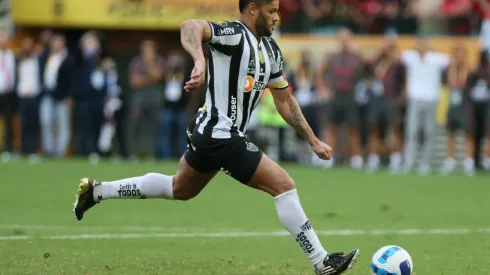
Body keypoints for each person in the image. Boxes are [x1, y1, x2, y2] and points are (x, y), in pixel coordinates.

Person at [72, 0, 359, 274]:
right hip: (219, 132)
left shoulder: (271, 50)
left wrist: (312, 139)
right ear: (252, 9)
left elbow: (285, 102)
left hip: (212, 135)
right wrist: (199, 60)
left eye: (278, 11)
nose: (276, 17)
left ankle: (97, 191)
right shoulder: (234, 34)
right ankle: (322, 262)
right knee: (283, 186)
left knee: (180, 188)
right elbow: (189, 26)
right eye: (271, 11)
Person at [440, 44, 474, 176]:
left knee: (467, 134)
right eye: (456, 53)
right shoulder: (448, 69)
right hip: (452, 105)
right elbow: (444, 82)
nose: (458, 57)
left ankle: (468, 161)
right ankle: (450, 161)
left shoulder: (470, 70)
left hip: (465, 106)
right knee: (450, 134)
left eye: (461, 54)